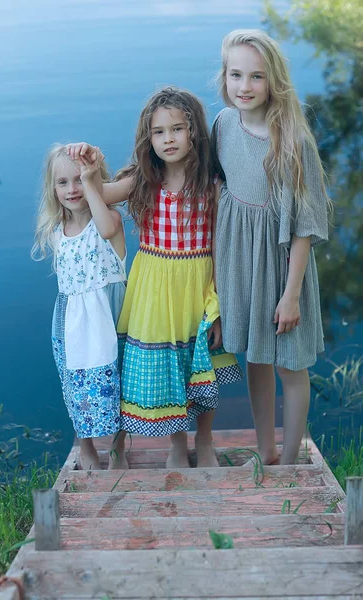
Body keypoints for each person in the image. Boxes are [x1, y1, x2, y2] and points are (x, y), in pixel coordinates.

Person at [68, 87, 242, 469]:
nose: (168, 139)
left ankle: (206, 440)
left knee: (202, 369)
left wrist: (221, 304)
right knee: (170, 370)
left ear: (194, 131)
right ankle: (177, 446)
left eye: (177, 129)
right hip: (153, 291)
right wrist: (90, 172)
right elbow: (104, 194)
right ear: (149, 139)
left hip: (198, 286)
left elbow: (217, 247)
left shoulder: (211, 183)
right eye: (159, 132)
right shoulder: (144, 180)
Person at [212, 29, 330, 465]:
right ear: (225, 76)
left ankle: (293, 458)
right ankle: (265, 452)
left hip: (282, 269)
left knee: (289, 365)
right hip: (240, 262)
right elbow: (214, 185)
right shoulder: (223, 124)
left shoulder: (293, 142)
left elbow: (305, 225)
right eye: (236, 74)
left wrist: (292, 294)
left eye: (256, 77)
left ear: (274, 80)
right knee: (256, 361)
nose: (245, 87)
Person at [31, 144, 126, 470]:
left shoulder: (109, 219)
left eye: (80, 180)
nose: (72, 189)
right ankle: (86, 448)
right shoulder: (57, 232)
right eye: (63, 182)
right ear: (52, 188)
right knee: (74, 384)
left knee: (118, 383)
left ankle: (117, 450)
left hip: (109, 316)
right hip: (71, 322)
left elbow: (106, 229)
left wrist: (91, 179)